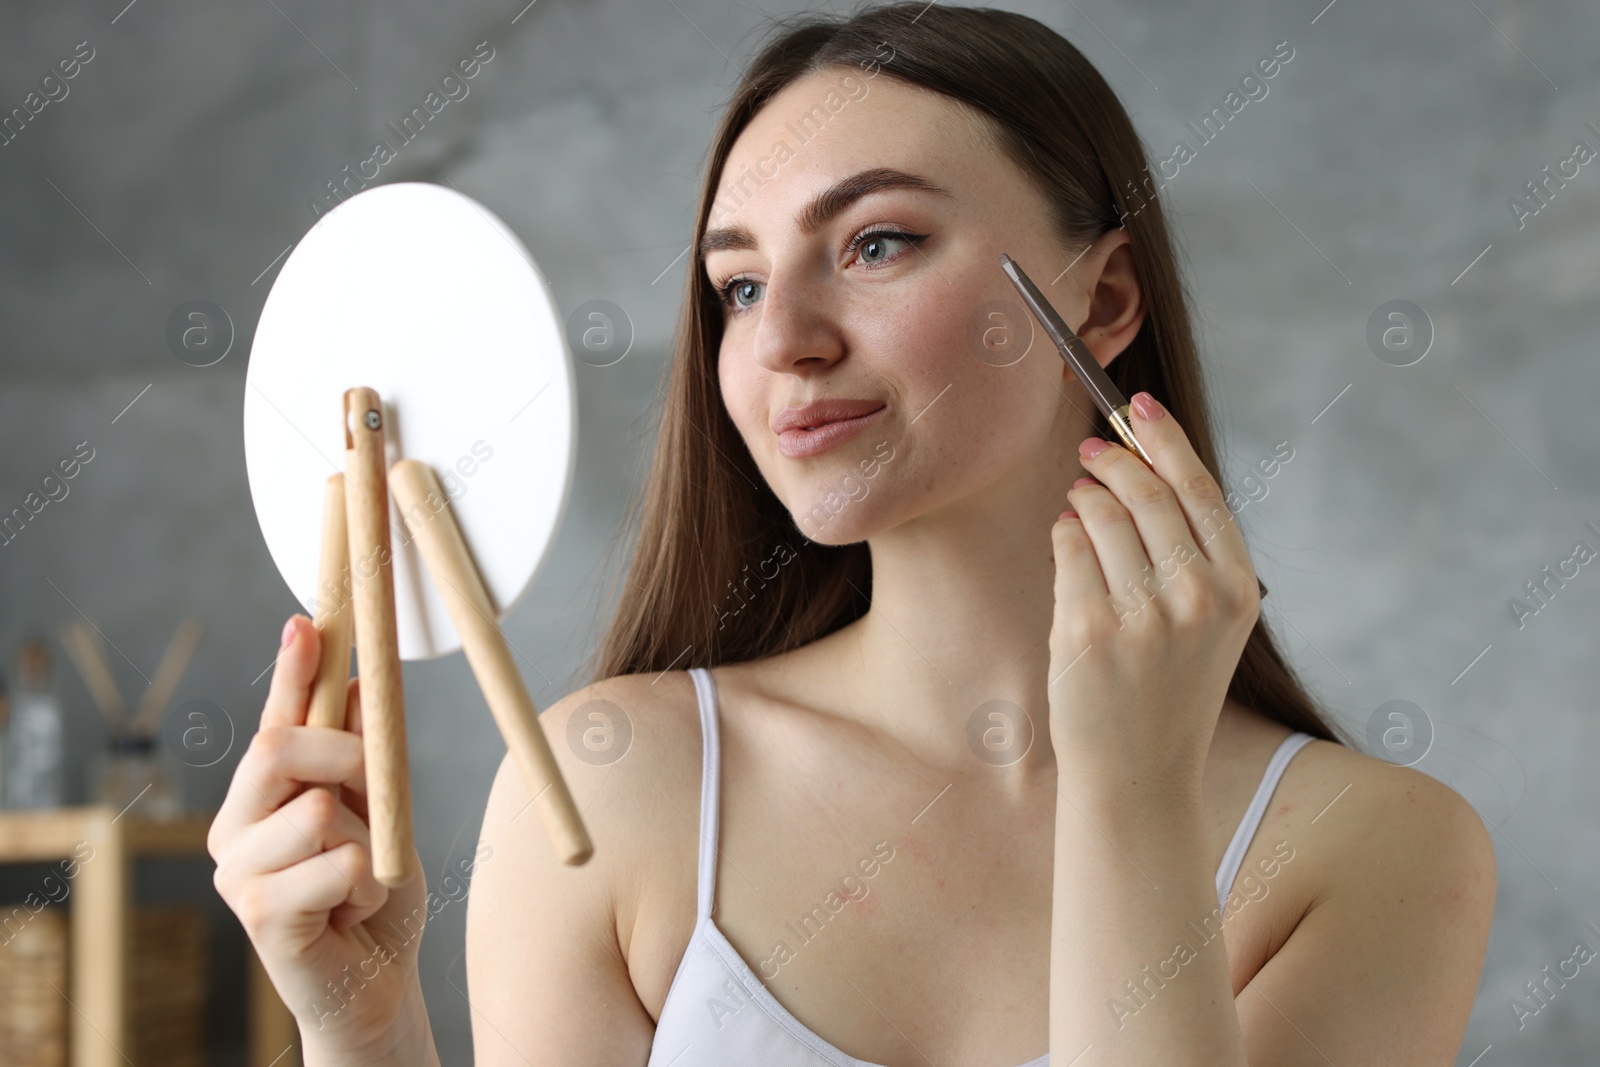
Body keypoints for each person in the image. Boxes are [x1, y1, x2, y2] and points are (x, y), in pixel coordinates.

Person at [207, 4, 1497, 1064]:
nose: (784, 343)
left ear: (1101, 298)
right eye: (741, 284)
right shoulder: (616, 788)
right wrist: (361, 1031)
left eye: (876, 243)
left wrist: (1133, 791)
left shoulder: (1380, 855)